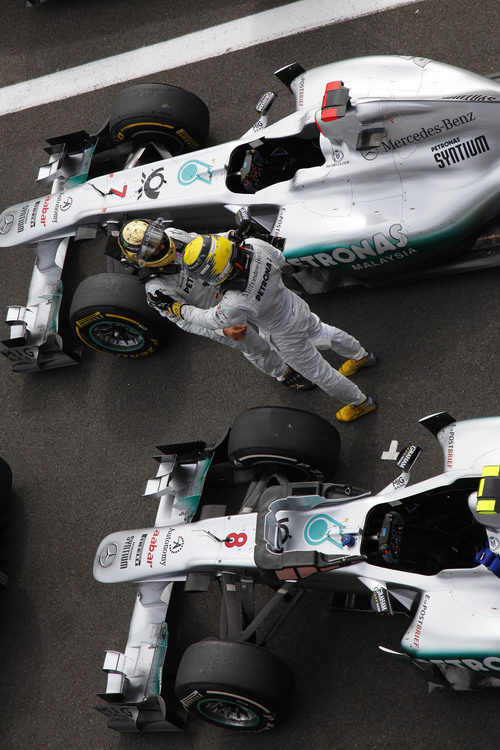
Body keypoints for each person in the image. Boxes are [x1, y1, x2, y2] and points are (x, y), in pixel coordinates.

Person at [160, 233, 377, 422]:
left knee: (321, 374)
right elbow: (282, 261)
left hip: (284, 335)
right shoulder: (254, 245)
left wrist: (177, 309)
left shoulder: (233, 303)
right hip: (295, 306)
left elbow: (208, 319)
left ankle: (361, 403)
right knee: (324, 331)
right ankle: (362, 356)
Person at [117, 219, 314, 390]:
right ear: (140, 259)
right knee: (256, 348)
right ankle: (282, 373)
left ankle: (297, 342)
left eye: (156, 238)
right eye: (151, 248)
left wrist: (232, 235)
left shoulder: (173, 235)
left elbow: (207, 242)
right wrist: (221, 332)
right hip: (216, 317)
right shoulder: (157, 290)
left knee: (274, 317)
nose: (159, 246)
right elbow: (186, 323)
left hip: (233, 287)